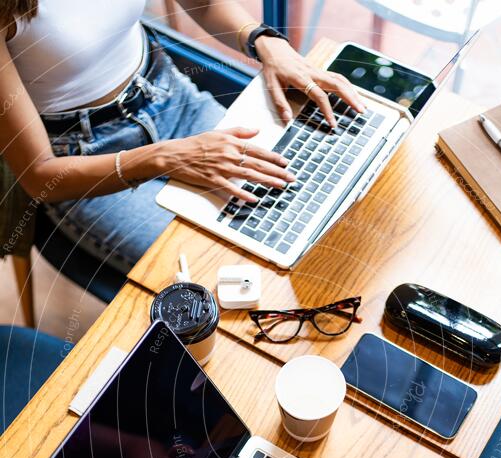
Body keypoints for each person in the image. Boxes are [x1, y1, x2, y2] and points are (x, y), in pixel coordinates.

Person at [0, 1, 365, 273]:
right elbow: (39, 176)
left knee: (303, 212)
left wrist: (266, 42)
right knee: (223, 275)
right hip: (86, 159)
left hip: (171, 98)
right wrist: (170, 157)